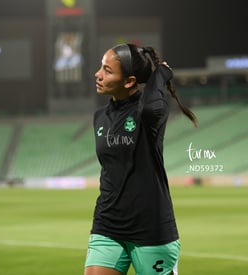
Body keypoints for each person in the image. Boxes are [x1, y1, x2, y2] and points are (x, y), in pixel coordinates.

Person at [84, 43, 198, 275]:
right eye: (100, 67)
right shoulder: (100, 117)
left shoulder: (149, 113)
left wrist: (161, 74)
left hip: (151, 229)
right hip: (108, 224)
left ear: (129, 81)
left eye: (107, 70)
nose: (98, 74)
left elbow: (151, 108)